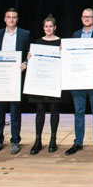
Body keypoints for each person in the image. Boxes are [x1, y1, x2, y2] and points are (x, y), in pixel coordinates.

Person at [65, 8, 93, 156]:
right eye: (85, 16)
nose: (87, 19)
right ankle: (78, 142)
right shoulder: (75, 35)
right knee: (79, 112)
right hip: (78, 80)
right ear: (81, 18)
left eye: (90, 16)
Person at [0, 8, 30, 155]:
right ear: (4, 19)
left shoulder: (25, 34)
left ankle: (15, 141)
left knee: (15, 110)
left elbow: (29, 55)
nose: (11, 20)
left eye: (14, 17)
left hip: (16, 78)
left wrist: (25, 64)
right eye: (8, 17)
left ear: (17, 19)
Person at [26, 15, 63, 155]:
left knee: (54, 108)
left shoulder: (61, 43)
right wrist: (29, 58)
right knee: (40, 109)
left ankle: (53, 139)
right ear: (43, 28)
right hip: (40, 82)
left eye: (51, 26)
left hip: (54, 82)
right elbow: (33, 64)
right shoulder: (37, 43)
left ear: (55, 27)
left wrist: (63, 52)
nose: (48, 29)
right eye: (46, 26)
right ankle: (37, 140)